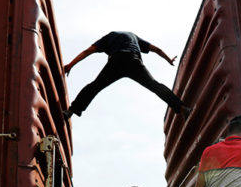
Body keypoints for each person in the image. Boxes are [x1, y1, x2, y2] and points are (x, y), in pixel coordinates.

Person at [62, 31, 192, 120]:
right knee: (155, 86)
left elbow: (88, 51)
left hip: (116, 61)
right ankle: (182, 108)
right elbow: (156, 49)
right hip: (133, 61)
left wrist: (71, 64)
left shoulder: (109, 37)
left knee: (94, 86)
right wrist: (168, 59)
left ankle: (71, 111)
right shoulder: (133, 36)